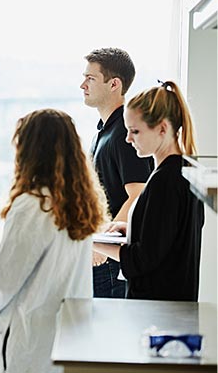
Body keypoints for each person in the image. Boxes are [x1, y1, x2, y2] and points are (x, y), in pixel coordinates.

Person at [0, 109, 107, 373]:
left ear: (31, 151)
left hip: (26, 344)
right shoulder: (80, 206)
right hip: (65, 343)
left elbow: (3, 278)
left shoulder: (33, 205)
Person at [93, 81, 204, 301]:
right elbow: (166, 239)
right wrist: (130, 229)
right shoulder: (182, 172)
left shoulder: (165, 181)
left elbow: (141, 260)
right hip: (172, 302)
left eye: (135, 131)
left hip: (160, 307)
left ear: (162, 128)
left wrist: (93, 243)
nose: (128, 139)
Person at [80, 47, 153, 298]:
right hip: (102, 250)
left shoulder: (124, 131)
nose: (82, 85)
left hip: (110, 258)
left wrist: (102, 245)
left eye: (90, 78)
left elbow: (138, 193)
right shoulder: (105, 130)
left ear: (114, 84)